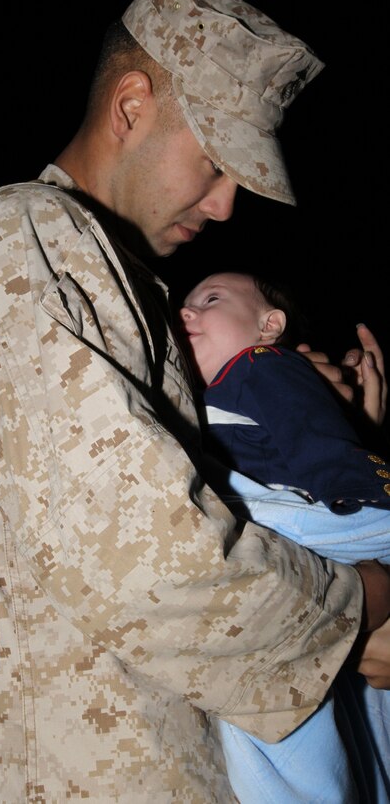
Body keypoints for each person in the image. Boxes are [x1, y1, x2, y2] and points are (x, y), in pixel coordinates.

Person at [0, 0, 390, 800]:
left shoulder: (118, 284)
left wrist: (321, 440)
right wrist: (364, 604)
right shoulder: (29, 234)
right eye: (214, 162)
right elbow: (153, 566)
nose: (226, 203)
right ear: (131, 104)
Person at [180, 270, 389, 802]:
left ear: (268, 325)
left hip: (319, 522)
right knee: (277, 705)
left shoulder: (258, 366)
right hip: (297, 564)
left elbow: (312, 434)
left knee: (268, 700)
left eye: (211, 300)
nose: (188, 313)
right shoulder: (212, 396)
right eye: (185, 305)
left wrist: (355, 486)